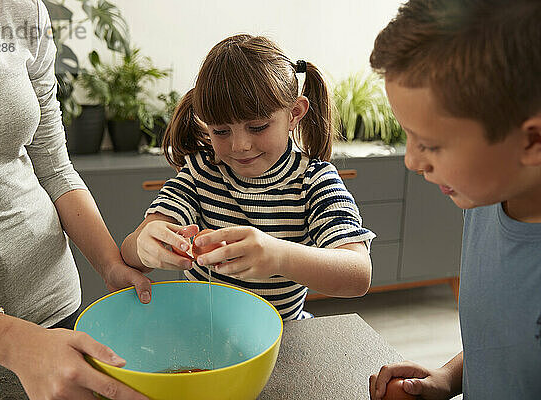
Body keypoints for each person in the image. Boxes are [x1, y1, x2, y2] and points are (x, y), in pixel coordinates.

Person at [0, 0, 151, 399]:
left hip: (52, 319)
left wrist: (109, 264)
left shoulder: (17, 9)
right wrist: (9, 341)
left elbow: (54, 167)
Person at [121, 34, 375, 321]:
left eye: (257, 127)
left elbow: (358, 274)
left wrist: (279, 256)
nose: (239, 145)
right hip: (201, 332)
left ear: (294, 113)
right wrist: (145, 245)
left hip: (282, 335)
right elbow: (133, 248)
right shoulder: (198, 173)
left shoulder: (315, 182)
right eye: (220, 131)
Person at [367, 0, 541, 399]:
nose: (412, 160)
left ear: (532, 140)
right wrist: (449, 377)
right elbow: (512, 344)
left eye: (430, 144)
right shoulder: (484, 200)